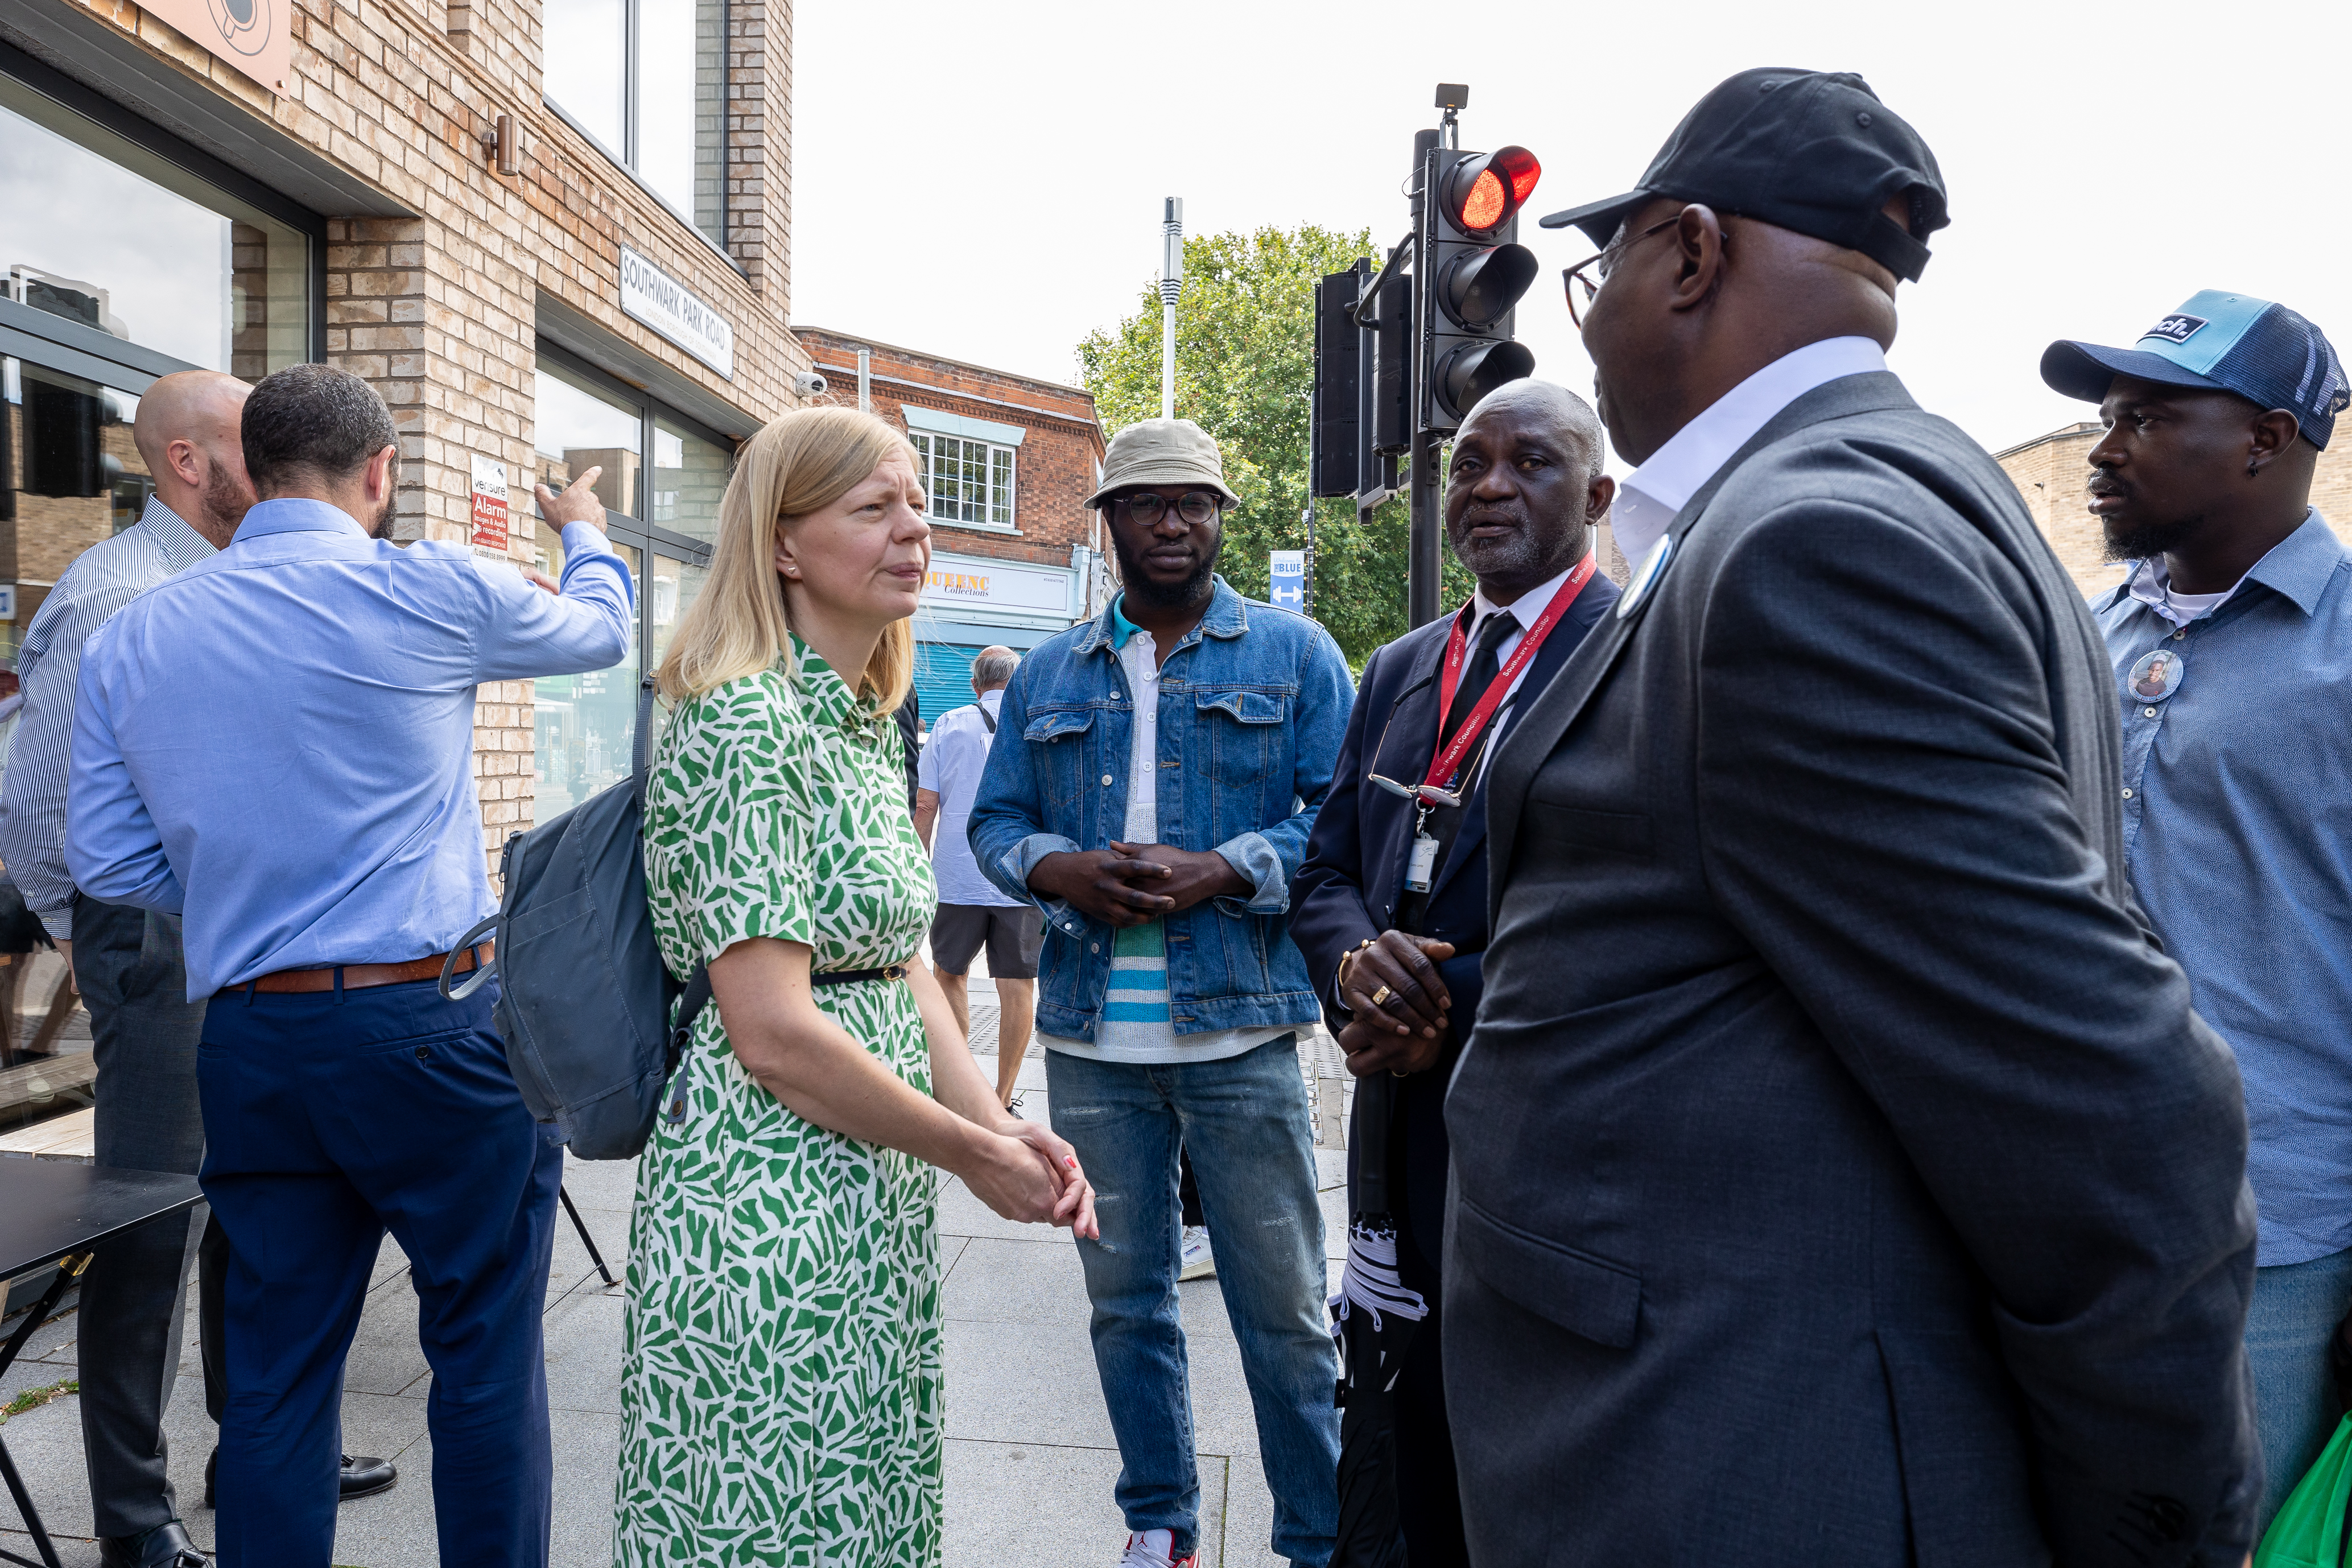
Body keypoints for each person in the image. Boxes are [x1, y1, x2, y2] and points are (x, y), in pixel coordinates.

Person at [1446, 68, 2262, 1566]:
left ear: (1686, 253)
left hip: (1733, 1467)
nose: (1592, 314)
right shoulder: (1898, 495)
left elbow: (2108, 1109)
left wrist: (2154, 1526)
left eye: (1598, 270)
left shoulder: (1807, 544)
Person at [64, 362, 634, 1568]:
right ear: (379, 474)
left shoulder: (140, 632)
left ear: (250, 473)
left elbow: (107, 862)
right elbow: (600, 631)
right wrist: (584, 531)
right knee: (481, 1349)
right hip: (433, 1026)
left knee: (278, 1370)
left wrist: (246, 899)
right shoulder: (423, 587)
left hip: (255, 1040)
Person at [620, 406, 1095, 1565]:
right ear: (783, 543)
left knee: (856, 1512)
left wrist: (1001, 1126)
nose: (915, 533)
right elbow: (775, 1034)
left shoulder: (858, 716)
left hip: (861, 1192)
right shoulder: (741, 717)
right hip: (764, 1206)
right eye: (874, 509)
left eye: (921, 505)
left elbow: (900, 970)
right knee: (765, 1524)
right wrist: (968, 1151)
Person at [0, 370, 393, 1568]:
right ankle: (135, 1517)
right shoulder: (122, 595)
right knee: (156, 1224)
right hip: (158, 939)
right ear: (186, 463)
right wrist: (95, 937)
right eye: (245, 443)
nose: (275, 465)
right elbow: (30, 799)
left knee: (258, 1200)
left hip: (243, 936)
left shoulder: (233, 586)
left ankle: (254, 1442)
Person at [968, 417, 1353, 1568]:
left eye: (1194, 500)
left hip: (1240, 1035)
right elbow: (995, 821)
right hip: (1092, 1042)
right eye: (1148, 502)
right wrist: (1056, 867)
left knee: (1285, 1315)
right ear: (1112, 523)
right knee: (1126, 1304)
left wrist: (1228, 866)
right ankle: (1161, 1524)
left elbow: (1339, 819)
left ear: (1221, 514)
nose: (1174, 519)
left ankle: (1320, 1537)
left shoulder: (1295, 656)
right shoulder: (1047, 672)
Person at [1292, 378, 1619, 1567]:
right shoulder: (1400, 667)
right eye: (1467, 463)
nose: (1487, 486)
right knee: (1394, 1417)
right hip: (1389, 1112)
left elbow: (1631, 918)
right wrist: (1355, 976)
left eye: (1528, 464)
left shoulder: (1633, 661)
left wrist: (1448, 999)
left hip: (1533, 1127)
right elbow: (1326, 868)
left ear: (1596, 495)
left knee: (1511, 1436)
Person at [2040, 290, 2349, 1532]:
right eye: (2108, 417)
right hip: (2065, 1209)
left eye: (2152, 418)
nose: (2106, 448)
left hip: (2278, 1238)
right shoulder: (2080, 635)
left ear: (2269, 440)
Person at [912, 644, 1042, 1108]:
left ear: (975, 685)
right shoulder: (1035, 724)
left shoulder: (950, 725)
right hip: (1019, 874)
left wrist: (914, 866)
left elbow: (926, 805)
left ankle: (959, 1091)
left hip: (956, 878)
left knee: (949, 975)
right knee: (1017, 985)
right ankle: (1003, 1097)